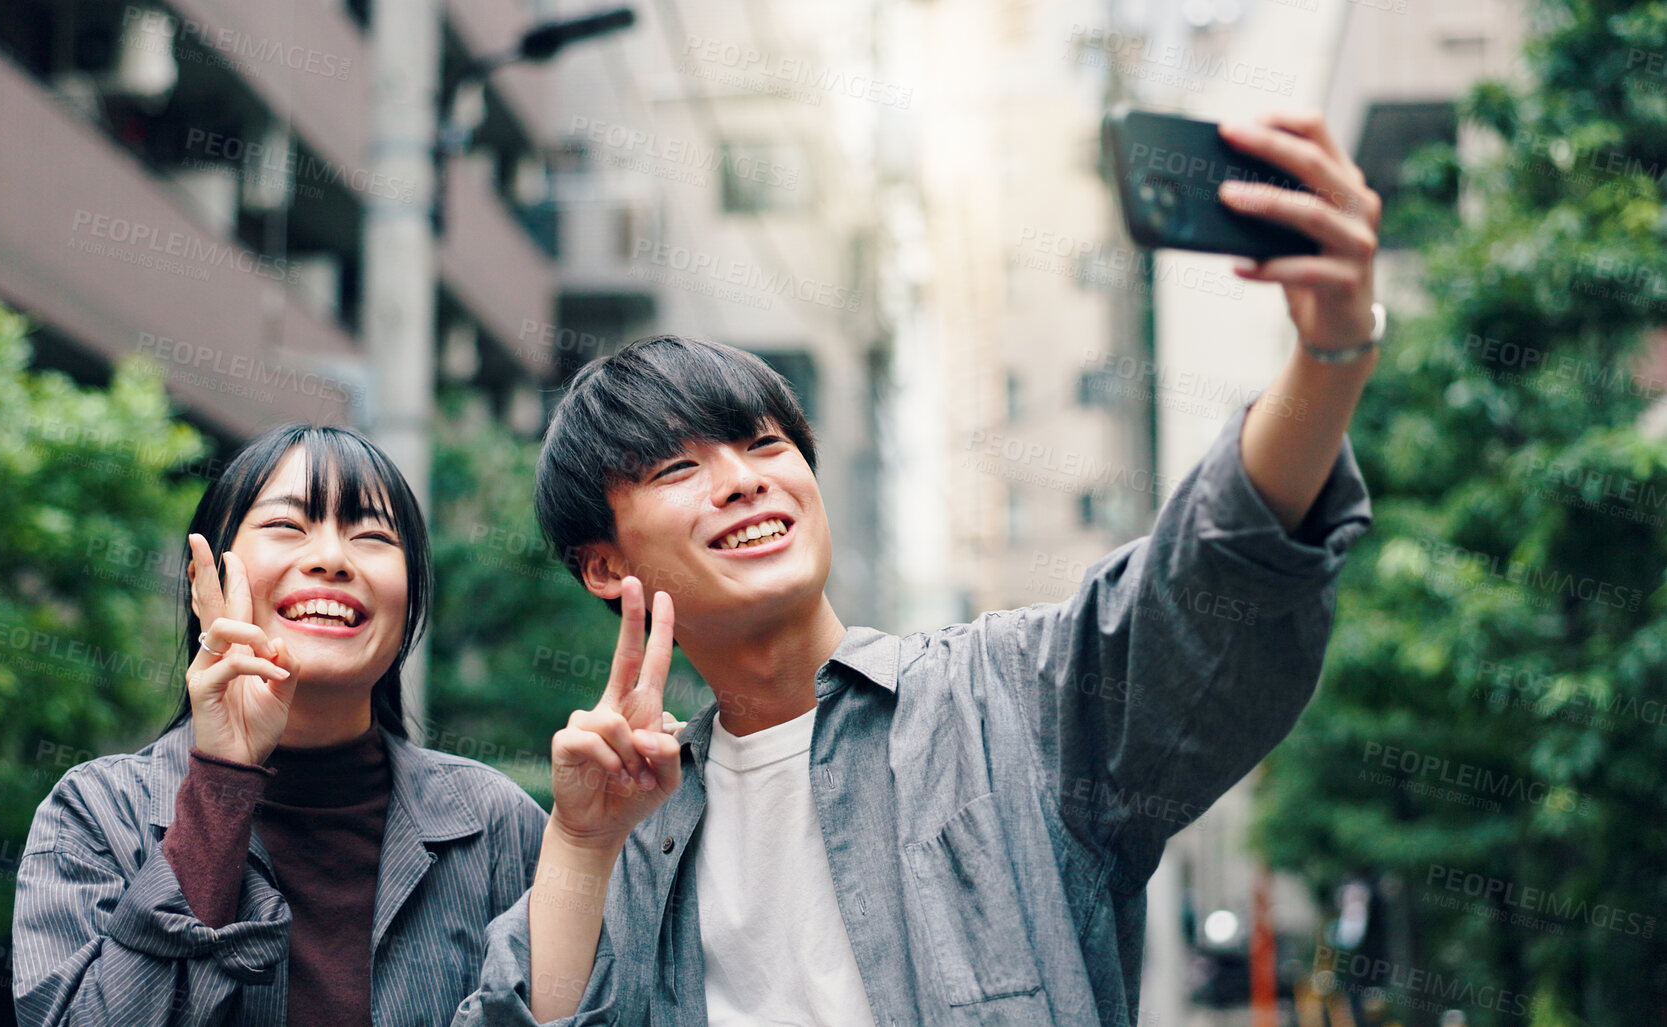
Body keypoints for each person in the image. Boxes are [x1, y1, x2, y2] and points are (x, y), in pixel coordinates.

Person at [453, 109, 1382, 1026]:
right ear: (605, 565)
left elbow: (1209, 582)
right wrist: (579, 843)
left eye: (764, 444)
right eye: (678, 468)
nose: (742, 482)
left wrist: (1329, 351)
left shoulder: (1013, 698)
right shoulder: (626, 820)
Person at [13, 424, 547, 1026]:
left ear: (412, 595)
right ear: (203, 581)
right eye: (287, 526)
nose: (330, 559)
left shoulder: (500, 826)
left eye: (372, 535)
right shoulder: (95, 815)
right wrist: (221, 786)